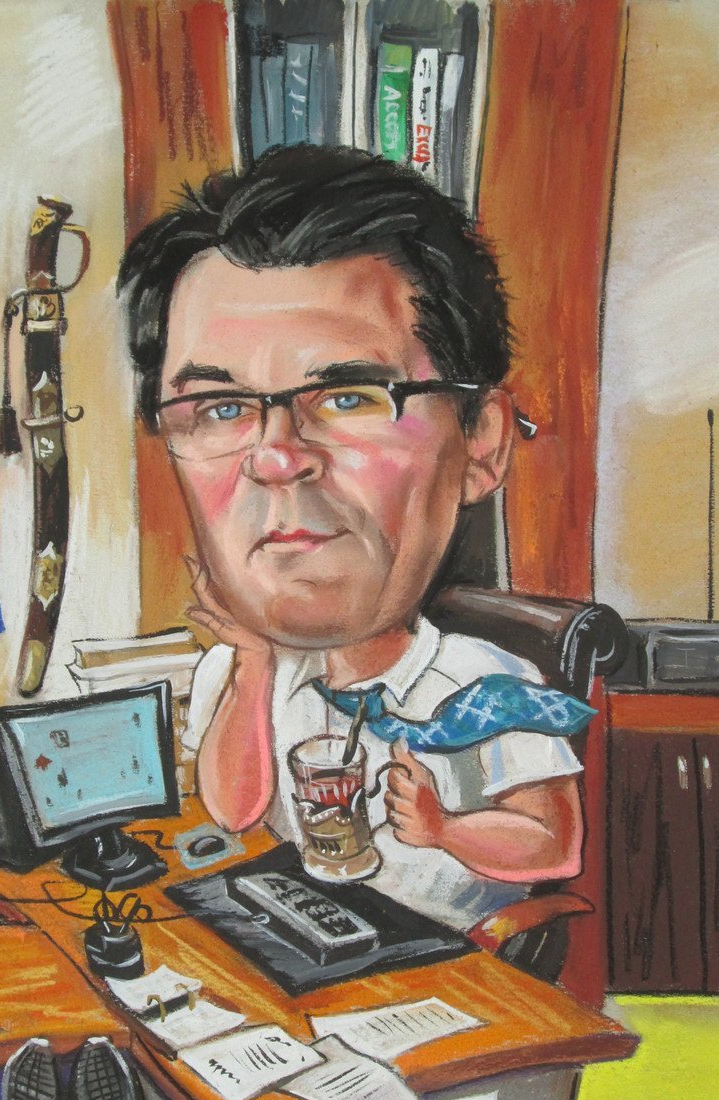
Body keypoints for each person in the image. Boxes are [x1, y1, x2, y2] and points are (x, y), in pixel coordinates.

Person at [118, 144, 584, 933]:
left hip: (453, 975)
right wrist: (254, 665)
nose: (275, 458)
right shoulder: (242, 672)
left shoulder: (488, 693)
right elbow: (234, 812)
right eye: (222, 409)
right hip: (311, 941)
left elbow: (555, 846)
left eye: (348, 396)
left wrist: (445, 828)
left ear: (481, 444)